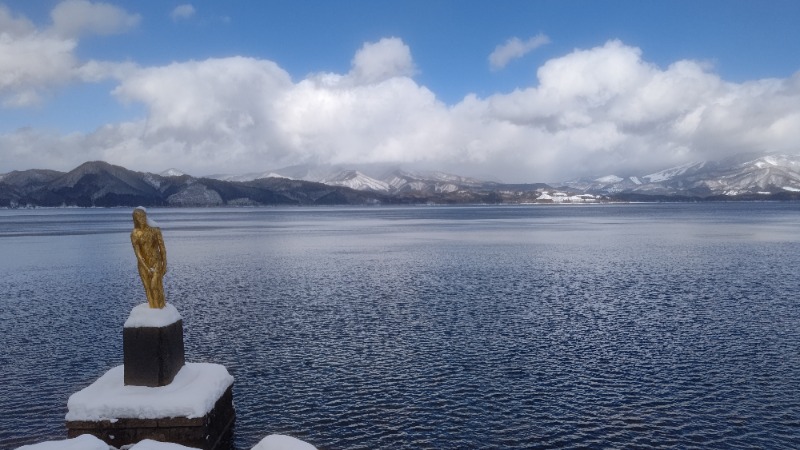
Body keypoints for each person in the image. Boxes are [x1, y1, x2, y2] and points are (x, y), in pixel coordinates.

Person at [131, 207, 167, 308]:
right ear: (135, 219)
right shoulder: (135, 234)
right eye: (139, 217)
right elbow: (138, 254)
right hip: (143, 265)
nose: (142, 219)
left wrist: (165, 264)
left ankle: (160, 307)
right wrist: (146, 268)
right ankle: (153, 307)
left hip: (156, 262)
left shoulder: (155, 230)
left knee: (155, 285)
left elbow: (162, 249)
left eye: (143, 216)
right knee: (148, 288)